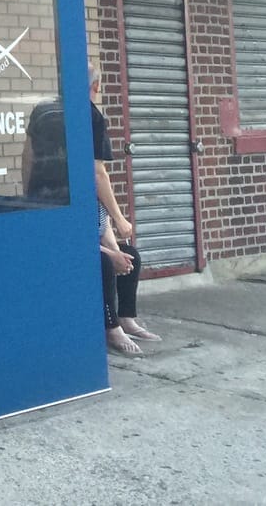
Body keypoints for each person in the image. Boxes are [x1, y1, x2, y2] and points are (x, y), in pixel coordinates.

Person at [91, 56, 160, 354]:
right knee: (106, 263)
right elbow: (98, 172)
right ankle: (112, 328)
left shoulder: (90, 199)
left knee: (130, 256)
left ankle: (126, 318)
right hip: (72, 242)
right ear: (96, 86)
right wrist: (120, 223)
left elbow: (99, 220)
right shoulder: (91, 116)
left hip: (91, 235)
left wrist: (115, 246)